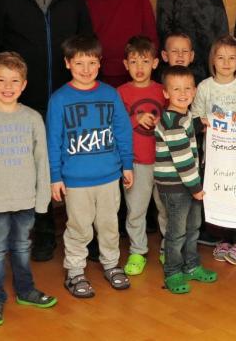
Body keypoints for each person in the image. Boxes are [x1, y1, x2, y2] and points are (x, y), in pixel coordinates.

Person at [0, 0, 94, 262]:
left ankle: (85, 232)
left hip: (70, 96)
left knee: (77, 161)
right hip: (24, 101)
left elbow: (86, 43)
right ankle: (45, 232)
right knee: (36, 167)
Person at [0, 52, 57, 326]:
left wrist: (42, 199)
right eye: (1, 80)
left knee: (21, 247)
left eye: (14, 80)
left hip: (26, 200)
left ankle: (26, 290)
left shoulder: (32, 119)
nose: (8, 86)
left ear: (24, 85)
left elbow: (42, 161)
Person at [46, 35, 134, 297]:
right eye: (79, 63)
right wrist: (55, 176)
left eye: (92, 63)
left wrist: (127, 165)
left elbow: (122, 131)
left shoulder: (110, 94)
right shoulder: (59, 99)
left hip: (108, 177)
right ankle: (74, 271)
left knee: (109, 225)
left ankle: (111, 264)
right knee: (79, 227)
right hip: (75, 180)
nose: (86, 69)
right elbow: (53, 140)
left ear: (100, 64)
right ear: (67, 64)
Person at [155, 65, 219, 294]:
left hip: (189, 186)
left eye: (188, 88)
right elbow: (182, 162)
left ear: (194, 91)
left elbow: (191, 125)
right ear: (165, 93)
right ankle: (172, 271)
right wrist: (196, 188)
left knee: (193, 228)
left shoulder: (184, 116)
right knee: (177, 232)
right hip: (175, 187)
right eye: (176, 89)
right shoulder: (172, 123)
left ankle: (191, 266)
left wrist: (204, 122)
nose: (183, 94)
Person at [190, 35, 236, 265]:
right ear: (212, 60)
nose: (226, 63)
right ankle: (224, 238)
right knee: (219, 195)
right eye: (221, 57)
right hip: (214, 155)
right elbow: (194, 117)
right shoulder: (205, 87)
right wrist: (206, 121)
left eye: (232, 58)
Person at [117, 36, 168, 273]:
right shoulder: (120, 93)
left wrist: (163, 121)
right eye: (134, 62)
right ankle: (138, 251)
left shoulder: (163, 90)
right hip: (136, 163)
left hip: (165, 161)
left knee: (166, 208)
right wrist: (134, 119)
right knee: (135, 210)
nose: (139, 68)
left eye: (145, 61)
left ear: (155, 63)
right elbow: (113, 125)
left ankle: (169, 248)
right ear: (125, 65)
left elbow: (177, 116)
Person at [85, 0, 158, 88]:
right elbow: (84, 46)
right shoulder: (86, 2)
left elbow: (152, 40)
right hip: (98, 77)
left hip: (136, 76)